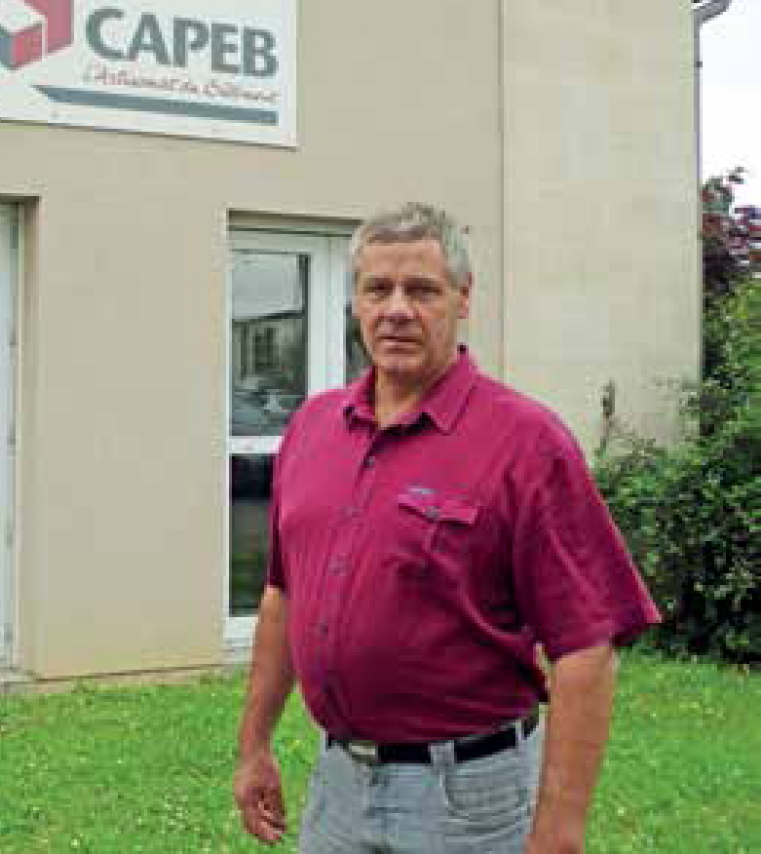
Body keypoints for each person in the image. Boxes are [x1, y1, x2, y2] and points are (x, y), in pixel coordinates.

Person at [233, 203, 660, 853]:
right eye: (378, 288)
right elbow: (281, 597)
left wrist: (558, 833)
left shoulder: (526, 444)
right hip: (338, 787)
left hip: (467, 802)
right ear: (356, 302)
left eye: (422, 289)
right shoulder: (312, 429)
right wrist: (255, 744)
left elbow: (586, 649)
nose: (397, 308)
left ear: (463, 299)